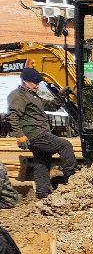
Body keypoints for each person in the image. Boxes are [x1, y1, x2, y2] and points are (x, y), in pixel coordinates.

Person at [6, 67, 75, 199]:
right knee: (65, 145)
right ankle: (71, 179)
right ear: (25, 81)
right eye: (34, 83)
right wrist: (20, 135)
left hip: (38, 133)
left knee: (42, 162)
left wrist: (61, 94)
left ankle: (42, 193)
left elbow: (51, 106)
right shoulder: (18, 95)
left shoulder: (32, 96)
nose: (37, 86)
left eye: (38, 83)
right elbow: (12, 116)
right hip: (35, 134)